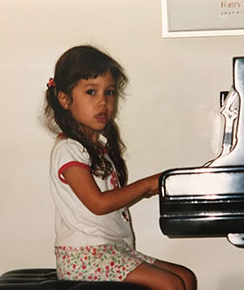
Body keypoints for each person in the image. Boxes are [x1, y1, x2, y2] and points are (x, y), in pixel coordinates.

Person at [44, 45, 197, 290]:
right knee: (170, 285)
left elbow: (123, 197)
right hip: (84, 256)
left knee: (186, 278)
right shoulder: (68, 149)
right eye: (91, 92)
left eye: (110, 93)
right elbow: (98, 204)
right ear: (64, 99)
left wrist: (169, 183)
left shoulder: (99, 149)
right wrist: (147, 183)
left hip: (112, 249)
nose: (103, 102)